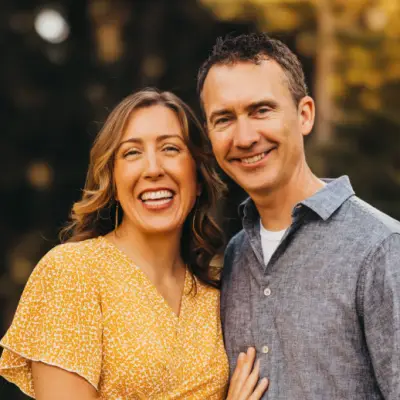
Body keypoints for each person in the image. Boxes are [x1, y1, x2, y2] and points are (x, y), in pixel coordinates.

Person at [0, 89, 268, 399]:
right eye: (132, 153)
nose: (153, 169)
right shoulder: (72, 273)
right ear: (112, 181)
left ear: (197, 178)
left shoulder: (215, 294)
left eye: (170, 148)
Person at [197, 32, 400, 399]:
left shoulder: (382, 248)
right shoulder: (233, 258)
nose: (244, 138)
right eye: (224, 119)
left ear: (304, 115)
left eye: (261, 110)